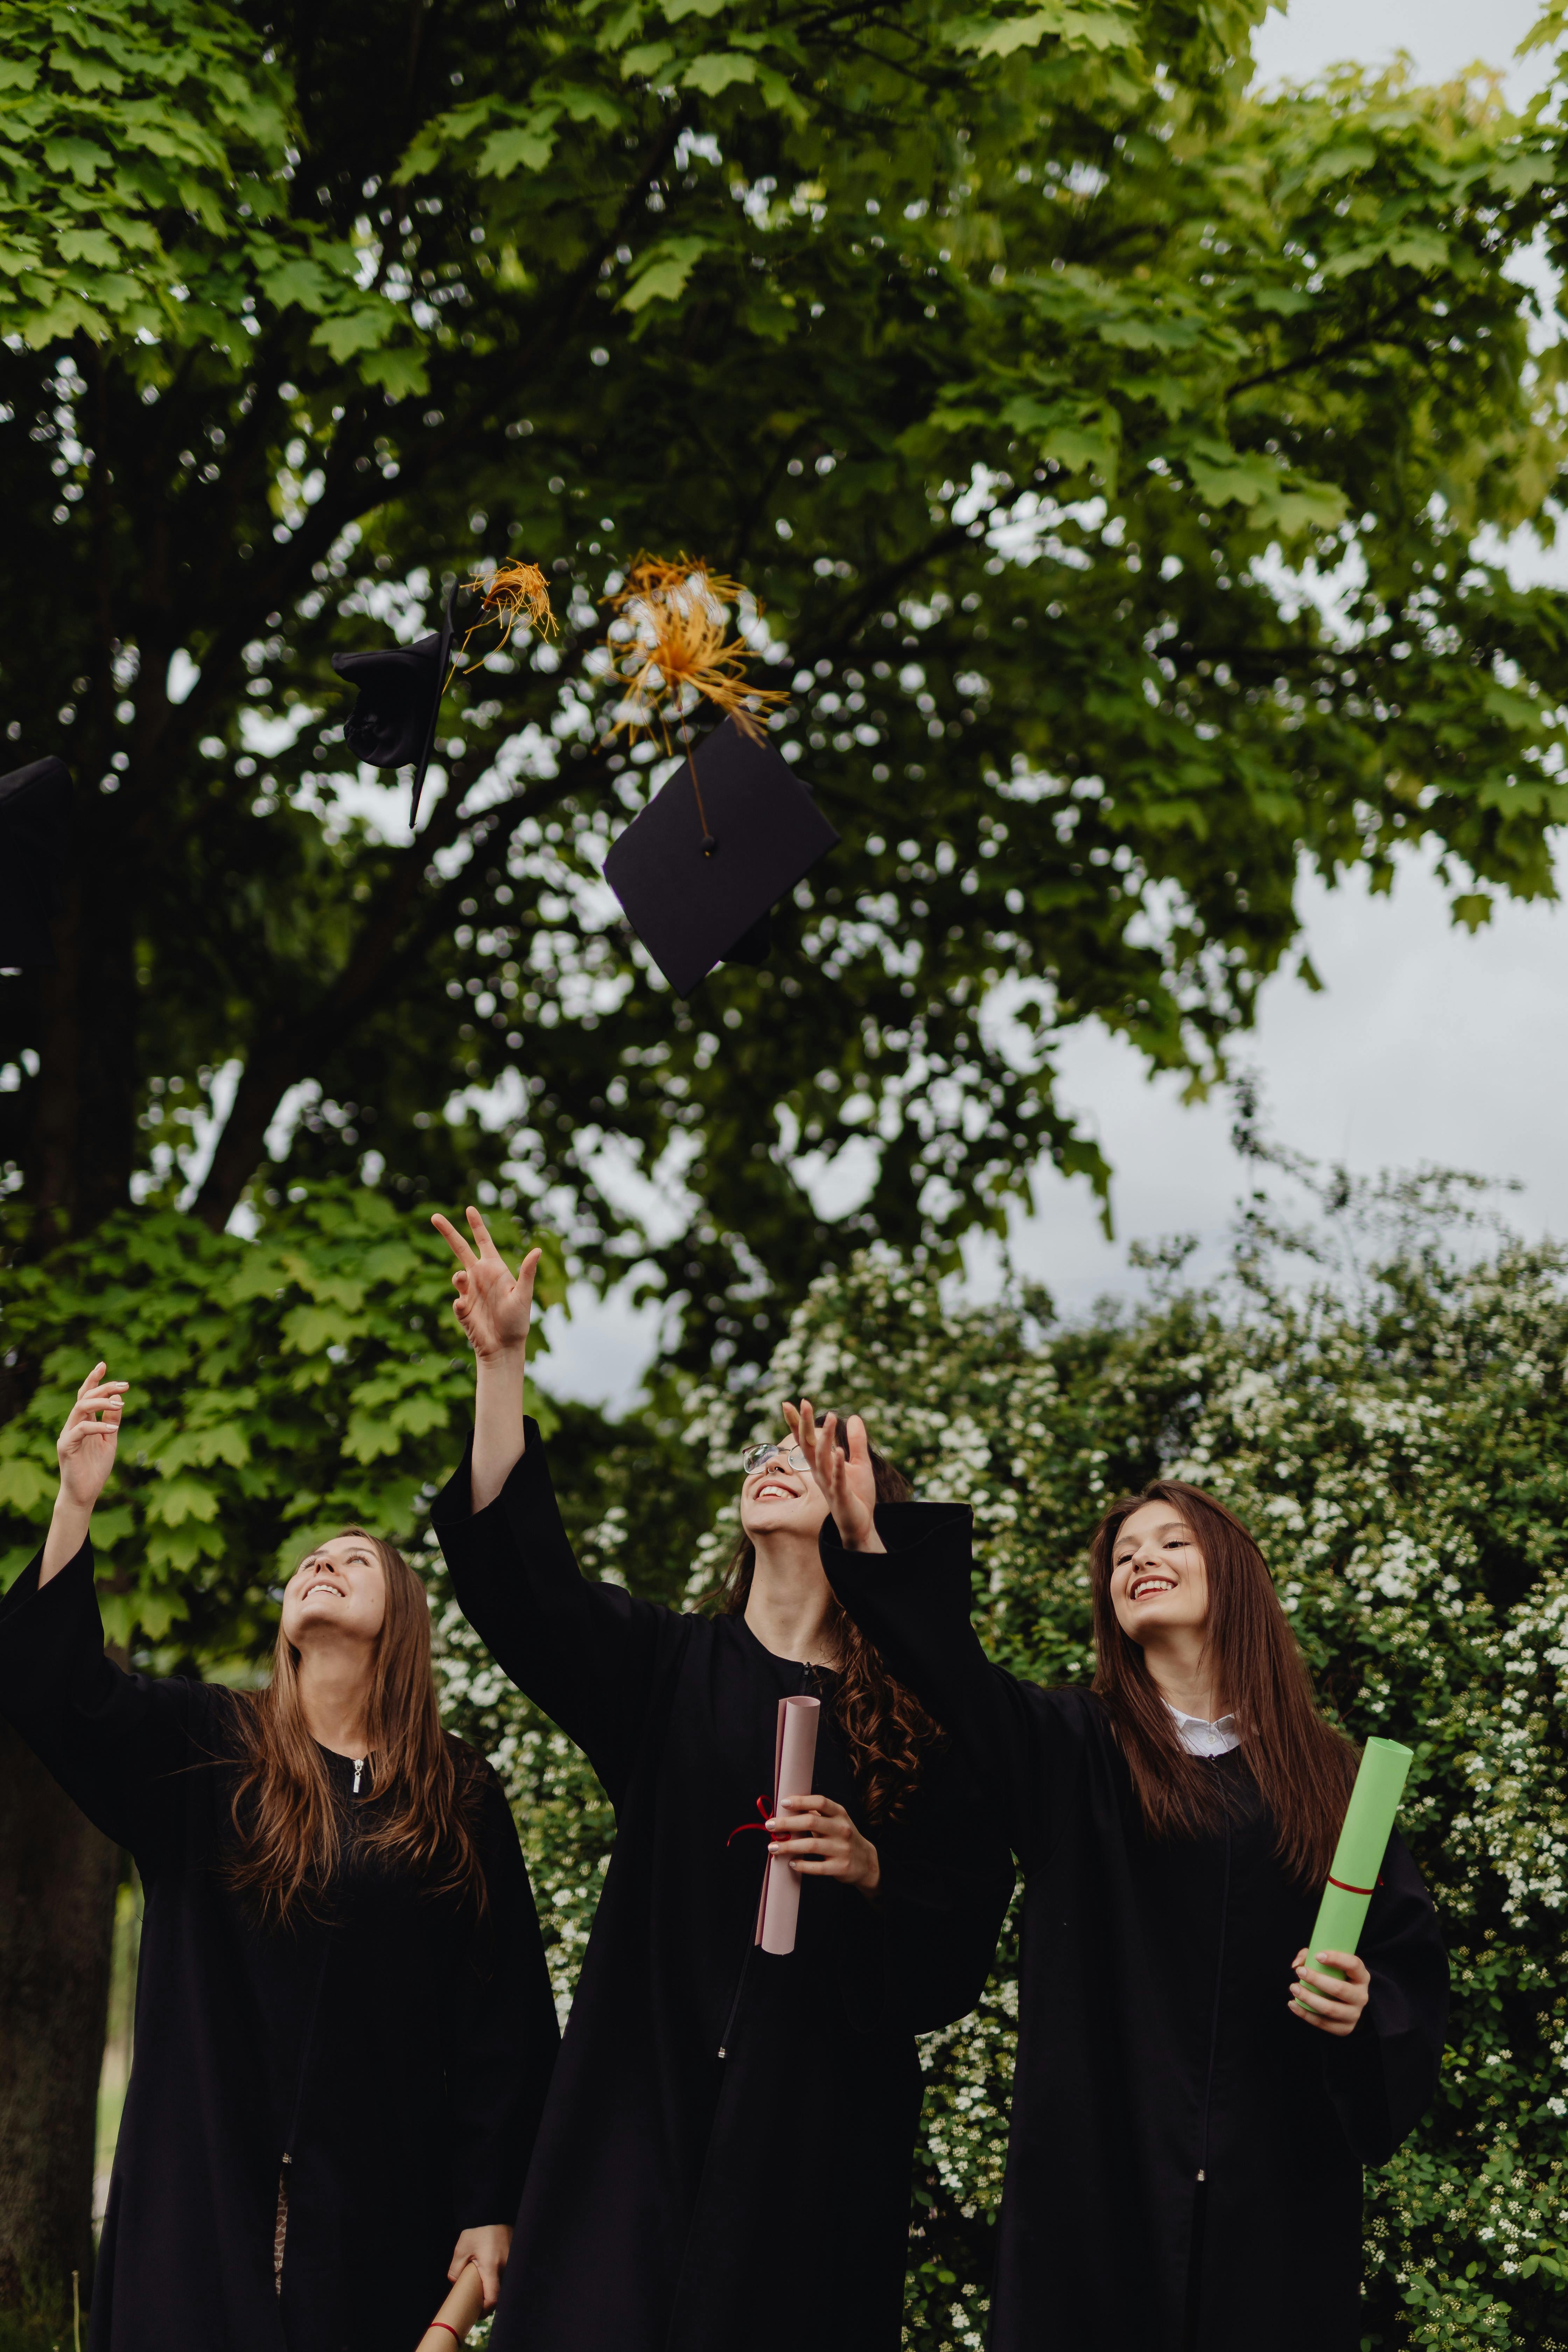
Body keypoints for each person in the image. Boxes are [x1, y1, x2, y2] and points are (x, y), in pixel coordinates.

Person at [428, 1208, 1015, 2352]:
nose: (774, 1464)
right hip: (633, 2112)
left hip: (814, 2135)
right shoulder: (664, 1670)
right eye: (767, 1455)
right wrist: (502, 1365)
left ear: (864, 1515)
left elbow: (959, 1944)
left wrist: (874, 1867)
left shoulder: (927, 1722)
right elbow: (519, 1582)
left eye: (810, 1460)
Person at [805, 1405, 1449, 2352]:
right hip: (1100, 2186)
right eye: (1121, 1558)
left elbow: (1404, 1963)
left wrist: (1363, 2004)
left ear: (1231, 1574)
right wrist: (869, 1540)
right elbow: (955, 1675)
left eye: (1172, 1542)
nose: (1140, 1561)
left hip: (1276, 2191)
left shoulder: (1334, 1780)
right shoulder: (1073, 1750)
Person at [0, 1360, 559, 2352]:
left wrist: (487, 2212)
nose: (322, 1566)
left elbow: (500, 2021)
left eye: (356, 1561)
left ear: (403, 1623)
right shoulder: (205, 1747)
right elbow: (57, 1694)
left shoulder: (455, 1793)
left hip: (379, 2217)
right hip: (198, 2205)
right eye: (310, 1561)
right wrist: (75, 1503)